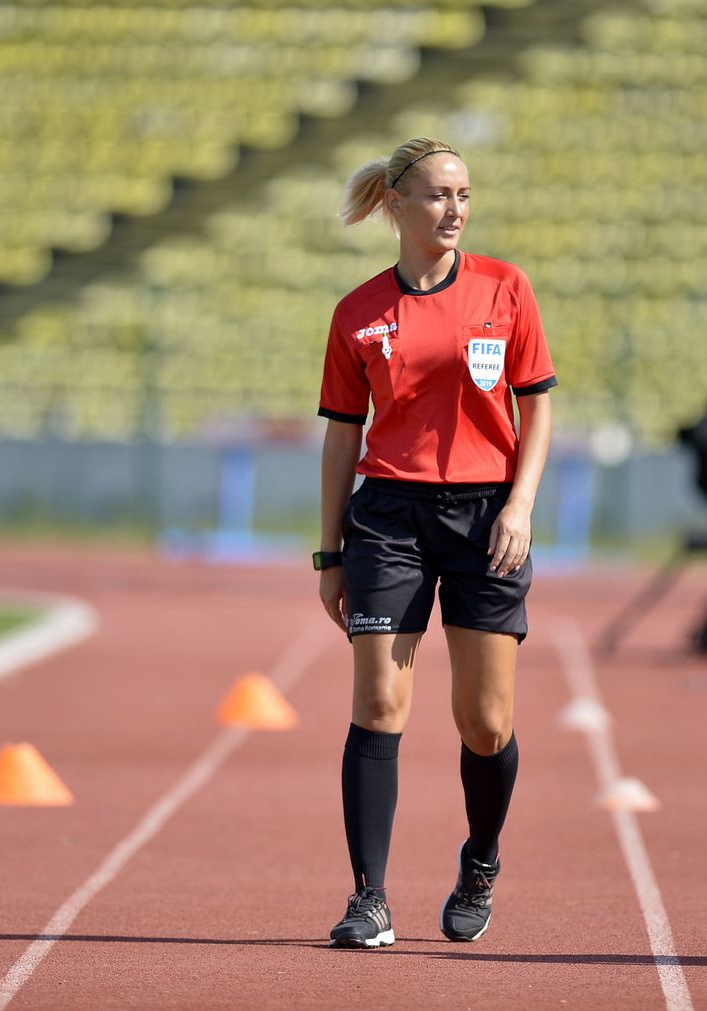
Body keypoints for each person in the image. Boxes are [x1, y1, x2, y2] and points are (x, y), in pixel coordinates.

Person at [314, 138, 555, 948]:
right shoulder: (357, 313)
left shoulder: (505, 288)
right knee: (378, 704)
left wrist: (519, 507)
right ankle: (368, 898)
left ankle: (480, 857)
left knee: (485, 723)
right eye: (437, 195)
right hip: (387, 518)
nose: (454, 208)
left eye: (463, 194)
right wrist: (329, 551)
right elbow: (342, 439)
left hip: (488, 516)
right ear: (396, 204)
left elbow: (538, 406)